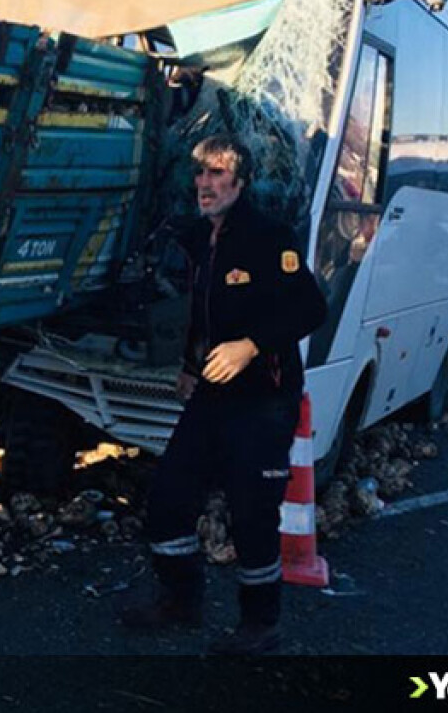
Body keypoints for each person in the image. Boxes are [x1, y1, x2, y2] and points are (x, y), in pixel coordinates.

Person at [120, 134, 327, 654]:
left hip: (264, 399)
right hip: (211, 396)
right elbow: (202, 311)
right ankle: (180, 600)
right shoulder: (197, 239)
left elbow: (309, 310)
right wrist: (192, 365)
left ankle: (262, 623)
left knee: (252, 513)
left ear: (241, 181)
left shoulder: (268, 237)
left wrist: (250, 347)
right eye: (200, 174)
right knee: (168, 496)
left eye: (216, 174)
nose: (204, 184)